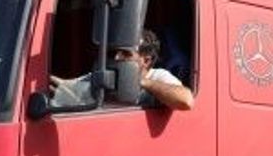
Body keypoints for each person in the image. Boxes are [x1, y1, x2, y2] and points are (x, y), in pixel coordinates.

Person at [51, 29, 195, 111]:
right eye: (115, 52)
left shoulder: (157, 76)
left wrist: (140, 82)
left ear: (146, 60)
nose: (117, 57)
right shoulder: (108, 74)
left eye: (126, 54)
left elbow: (185, 100)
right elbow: (66, 86)